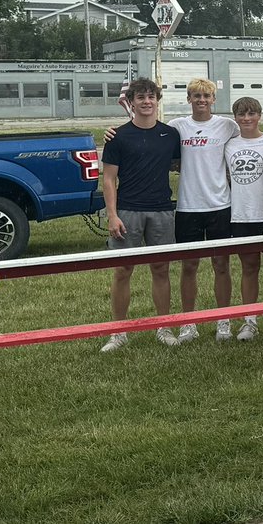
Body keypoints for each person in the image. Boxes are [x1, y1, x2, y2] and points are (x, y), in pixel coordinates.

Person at [99, 78, 183, 353]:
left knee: (161, 269)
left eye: (151, 97)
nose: (147, 102)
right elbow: (109, 179)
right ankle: (118, 332)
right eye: (141, 98)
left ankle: (164, 327)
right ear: (131, 102)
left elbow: (179, 166)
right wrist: (112, 215)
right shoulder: (118, 136)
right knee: (123, 271)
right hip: (128, 211)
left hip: (161, 210)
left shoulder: (170, 135)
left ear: (158, 101)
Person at [168, 78, 239, 343]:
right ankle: (189, 323)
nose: (201, 100)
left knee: (221, 264)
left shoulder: (227, 126)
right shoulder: (177, 127)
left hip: (220, 205)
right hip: (188, 207)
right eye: (196, 96)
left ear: (213, 99)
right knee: (189, 266)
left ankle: (223, 321)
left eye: (206, 96)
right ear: (188, 99)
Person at [224, 96, 263, 342]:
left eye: (251, 114)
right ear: (235, 118)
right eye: (241, 114)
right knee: (249, 269)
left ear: (259, 115)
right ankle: (250, 320)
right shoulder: (229, 145)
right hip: (242, 215)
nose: (247, 119)